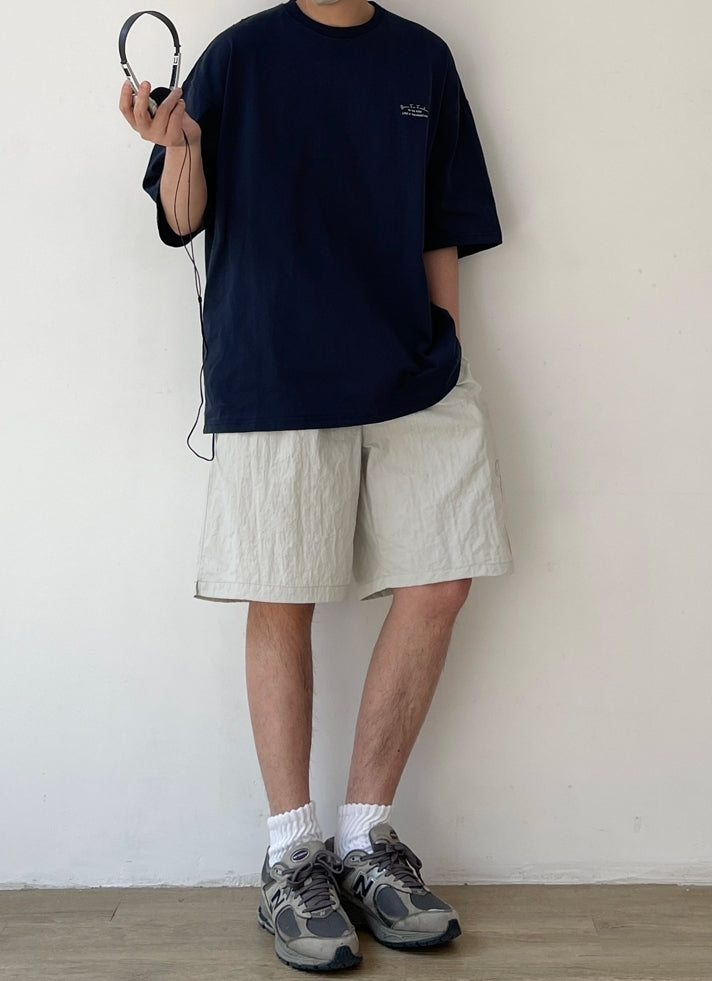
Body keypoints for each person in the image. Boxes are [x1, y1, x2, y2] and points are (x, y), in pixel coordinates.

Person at [119, 0, 513, 972]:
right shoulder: (238, 57)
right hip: (276, 372)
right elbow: (182, 218)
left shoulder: (422, 59)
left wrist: (442, 341)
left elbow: (441, 222)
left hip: (415, 372)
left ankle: (365, 839)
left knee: (440, 579)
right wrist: (178, 147)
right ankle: (291, 855)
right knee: (281, 594)